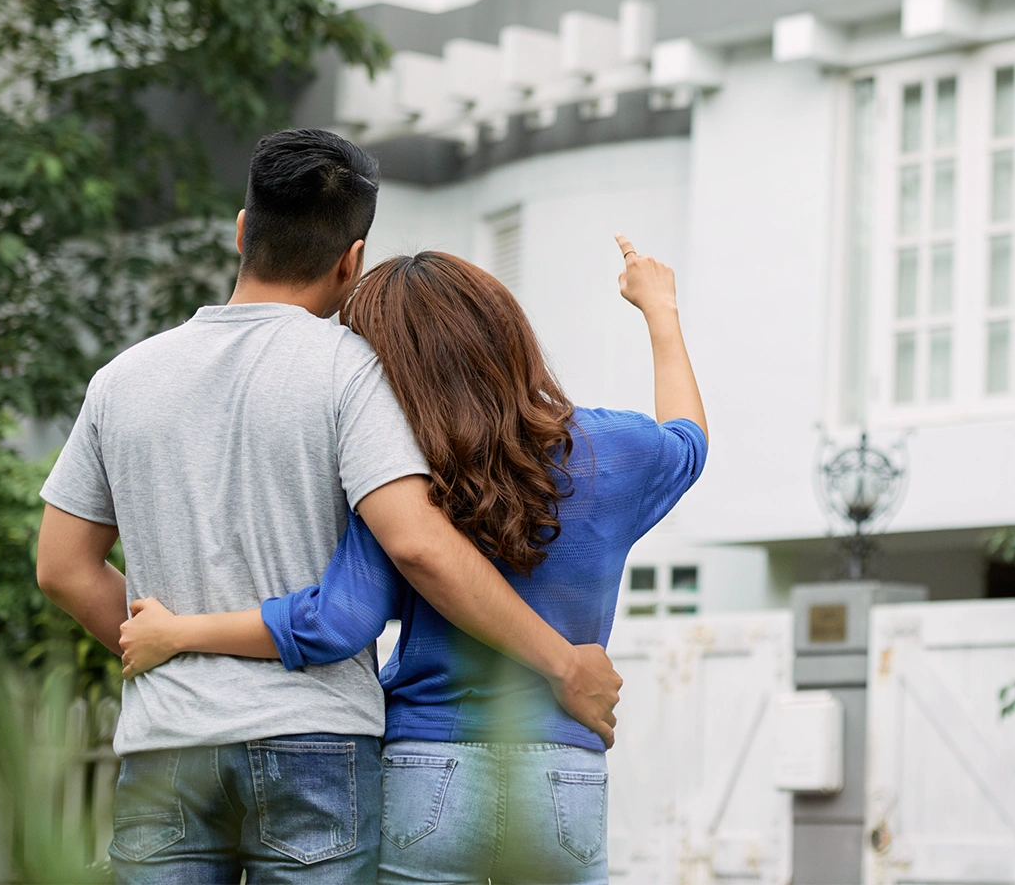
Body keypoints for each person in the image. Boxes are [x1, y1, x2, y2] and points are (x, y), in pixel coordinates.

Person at [35, 128, 621, 884]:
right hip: (315, 742)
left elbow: (61, 568)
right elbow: (415, 545)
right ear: (353, 259)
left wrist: (175, 644)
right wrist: (562, 663)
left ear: (243, 230)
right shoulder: (354, 372)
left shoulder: (122, 379)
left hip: (166, 739)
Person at [118, 234, 708, 884]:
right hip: (561, 769)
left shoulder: (401, 478)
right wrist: (660, 310)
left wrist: (178, 632)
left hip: (427, 772)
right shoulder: (611, 451)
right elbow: (688, 441)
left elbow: (335, 623)